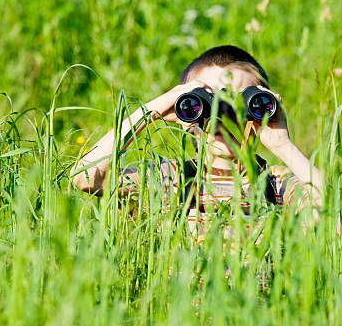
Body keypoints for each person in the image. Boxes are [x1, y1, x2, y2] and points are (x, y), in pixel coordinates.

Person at [71, 45, 323, 229]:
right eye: (209, 100)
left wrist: (282, 144)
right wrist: (153, 110)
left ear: (261, 108)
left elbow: (337, 220)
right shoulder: (169, 181)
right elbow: (85, 177)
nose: (225, 115)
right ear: (186, 113)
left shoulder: (276, 184)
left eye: (240, 102)